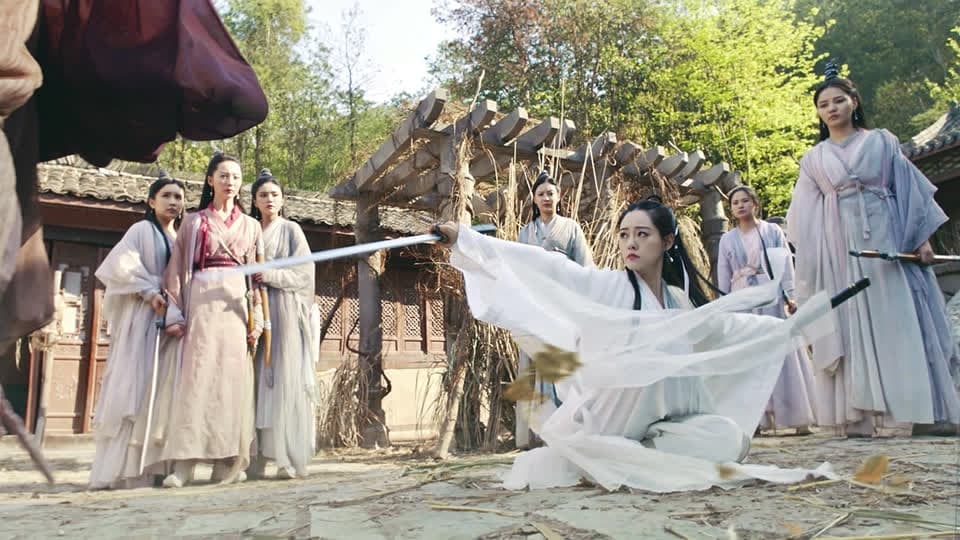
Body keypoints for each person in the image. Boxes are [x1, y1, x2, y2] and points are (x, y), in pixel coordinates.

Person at [431, 199, 837, 492]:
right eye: (625, 235)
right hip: (615, 415)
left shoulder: (678, 300)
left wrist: (790, 327)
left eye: (642, 234)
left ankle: (635, 452)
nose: (631, 243)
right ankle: (612, 451)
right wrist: (466, 240)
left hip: (662, 424)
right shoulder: (606, 285)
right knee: (648, 369)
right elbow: (550, 267)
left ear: (667, 240)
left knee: (730, 438)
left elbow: (728, 329)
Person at [786, 63, 960, 437]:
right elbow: (803, 217)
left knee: (897, 319)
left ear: (854, 101)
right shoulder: (813, 159)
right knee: (850, 323)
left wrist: (921, 240)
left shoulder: (882, 141)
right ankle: (861, 415)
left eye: (838, 100)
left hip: (886, 238)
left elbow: (909, 191)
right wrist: (813, 266)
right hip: (838, 249)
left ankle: (914, 411)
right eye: (823, 105)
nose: (831, 109)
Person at [160, 153, 263, 487]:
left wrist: (258, 318)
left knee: (231, 384)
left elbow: (257, 278)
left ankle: (226, 462)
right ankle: (184, 464)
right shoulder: (193, 221)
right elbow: (177, 269)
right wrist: (175, 311)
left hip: (235, 305)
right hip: (202, 301)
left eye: (235, 176)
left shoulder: (252, 226)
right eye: (223, 175)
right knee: (196, 379)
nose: (230, 181)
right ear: (210, 180)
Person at [88, 174, 185, 489]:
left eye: (178, 197)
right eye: (166, 195)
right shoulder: (141, 230)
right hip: (143, 317)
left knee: (163, 390)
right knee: (136, 386)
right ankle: (121, 470)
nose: (173, 202)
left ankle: (153, 466)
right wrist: (148, 291)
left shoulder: (181, 237)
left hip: (171, 319)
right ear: (151, 201)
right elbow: (121, 266)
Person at [717, 186, 817, 435]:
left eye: (745, 201)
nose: (740, 205)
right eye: (735, 202)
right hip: (742, 297)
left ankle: (797, 416)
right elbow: (724, 274)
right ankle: (755, 419)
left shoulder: (772, 232)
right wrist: (724, 304)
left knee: (782, 351)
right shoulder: (727, 240)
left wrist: (790, 295)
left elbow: (785, 264)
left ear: (755, 203)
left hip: (770, 294)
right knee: (749, 354)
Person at [247, 169, 320, 480]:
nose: (269, 199)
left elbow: (304, 273)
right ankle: (256, 455)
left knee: (284, 380)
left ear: (282, 200)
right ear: (254, 200)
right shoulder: (249, 230)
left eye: (274, 194)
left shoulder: (291, 230)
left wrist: (271, 275)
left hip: (285, 312)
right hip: (254, 310)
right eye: (263, 195)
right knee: (254, 381)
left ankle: (286, 456)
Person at [515, 171, 593, 448]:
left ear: (559, 197)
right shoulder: (526, 232)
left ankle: (570, 426)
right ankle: (541, 432)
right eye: (541, 194)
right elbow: (519, 269)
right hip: (536, 307)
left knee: (563, 363)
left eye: (551, 193)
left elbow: (585, 268)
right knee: (538, 363)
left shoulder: (571, 228)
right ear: (534, 200)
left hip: (564, 305)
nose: (546, 198)